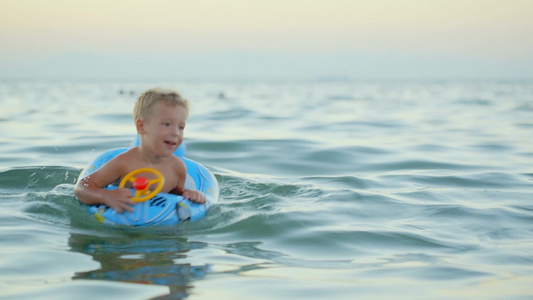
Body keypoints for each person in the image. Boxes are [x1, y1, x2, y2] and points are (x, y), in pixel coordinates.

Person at [74, 88, 206, 213]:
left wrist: (189, 195)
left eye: (181, 127)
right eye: (166, 124)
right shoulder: (124, 163)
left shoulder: (177, 168)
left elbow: (176, 199)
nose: (175, 133)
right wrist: (106, 196)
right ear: (141, 126)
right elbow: (82, 187)